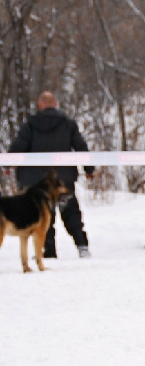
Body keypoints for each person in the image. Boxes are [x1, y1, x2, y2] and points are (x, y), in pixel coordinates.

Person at [10, 91, 94, 258]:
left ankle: (48, 250)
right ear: (55, 104)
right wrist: (89, 169)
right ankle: (82, 246)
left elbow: (19, 145)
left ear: (40, 105)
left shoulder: (30, 125)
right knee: (70, 211)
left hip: (35, 180)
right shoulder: (68, 124)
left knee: (43, 214)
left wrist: (7, 163)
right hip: (62, 177)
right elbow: (80, 146)